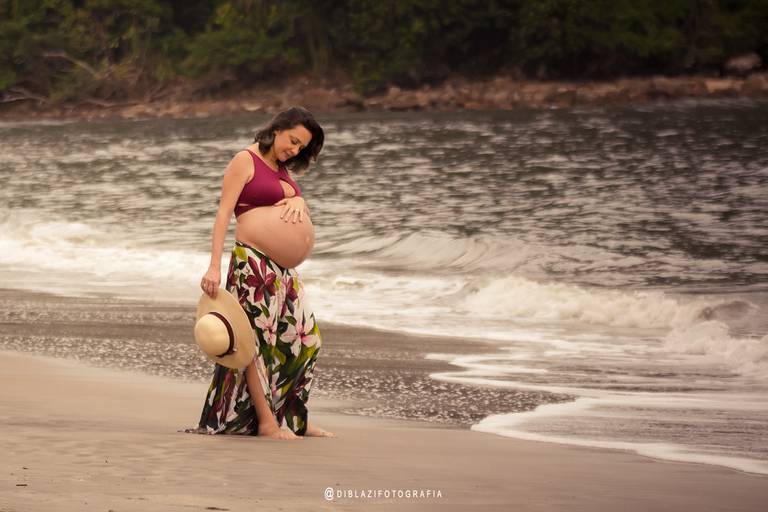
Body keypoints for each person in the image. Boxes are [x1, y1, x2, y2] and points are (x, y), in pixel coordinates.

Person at [196, 106, 334, 440]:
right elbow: (223, 214)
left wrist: (300, 201)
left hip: (283, 271)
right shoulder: (245, 160)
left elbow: (290, 202)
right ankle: (268, 423)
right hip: (253, 265)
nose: (295, 150)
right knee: (255, 344)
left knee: (306, 339)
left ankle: (294, 418)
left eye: (301, 147)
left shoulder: (282, 169)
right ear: (277, 129)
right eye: (293, 140)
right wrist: (214, 266)